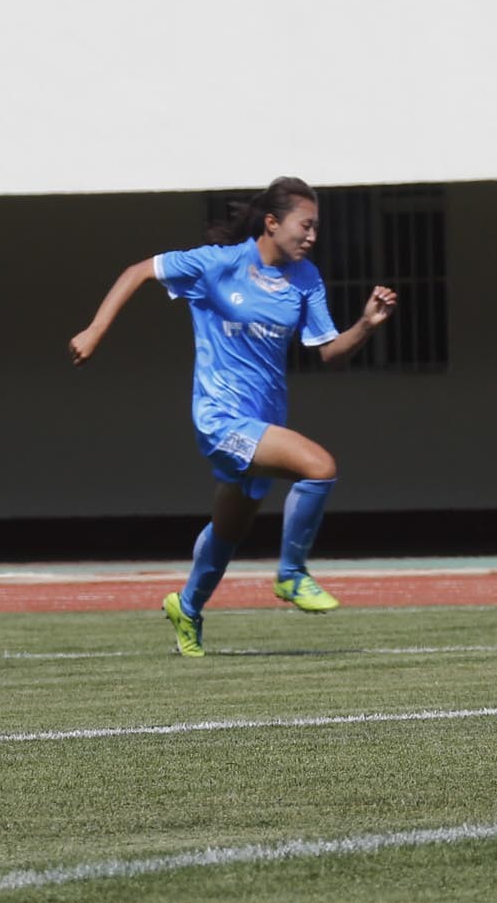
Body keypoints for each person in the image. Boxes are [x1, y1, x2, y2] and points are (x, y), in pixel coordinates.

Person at [69, 178, 397, 658]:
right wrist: (95, 330)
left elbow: (328, 352)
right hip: (220, 419)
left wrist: (366, 324)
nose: (312, 236)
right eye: (304, 225)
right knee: (320, 466)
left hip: (263, 423)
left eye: (316, 228)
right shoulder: (218, 264)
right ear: (271, 222)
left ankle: (187, 607)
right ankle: (291, 574)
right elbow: (139, 271)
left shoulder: (305, 278)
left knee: (228, 532)